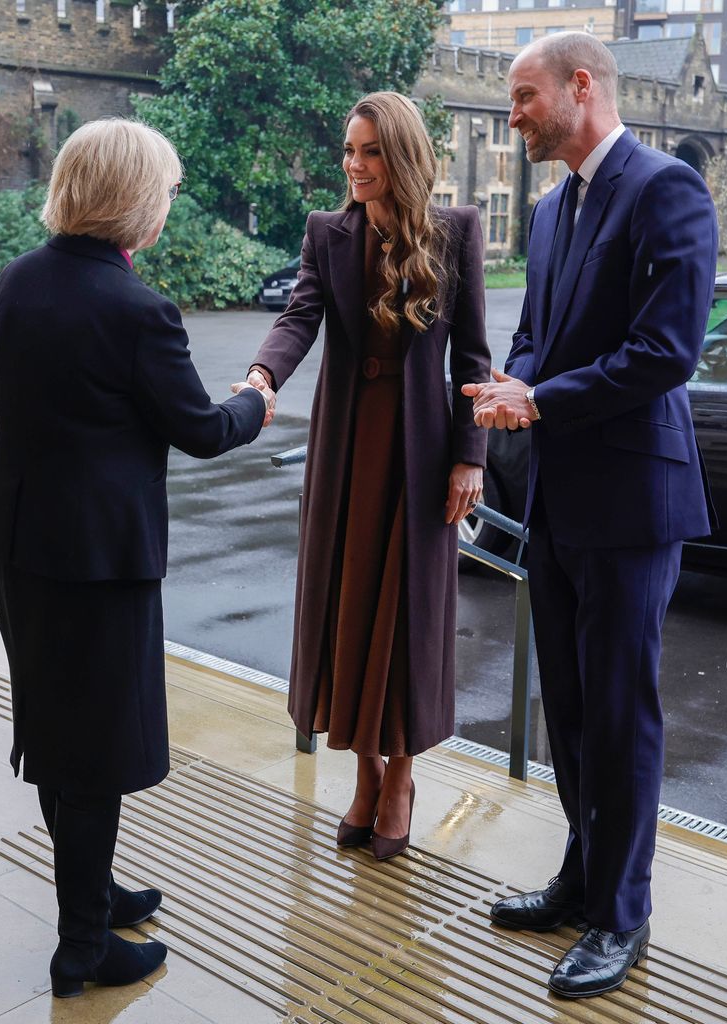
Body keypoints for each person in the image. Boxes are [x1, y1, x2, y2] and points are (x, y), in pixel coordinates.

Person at [0, 118, 275, 998]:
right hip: (100, 561)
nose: (170, 205)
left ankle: (91, 893)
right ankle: (83, 948)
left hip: (22, 545)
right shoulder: (138, 310)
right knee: (95, 750)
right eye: (167, 191)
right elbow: (202, 431)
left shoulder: (14, 282)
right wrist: (254, 396)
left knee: (52, 733)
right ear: (132, 197)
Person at [463, 33, 717, 998]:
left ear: (581, 87)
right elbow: (534, 335)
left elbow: (665, 354)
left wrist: (541, 401)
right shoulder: (548, 209)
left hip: (631, 499)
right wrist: (512, 380)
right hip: (558, 500)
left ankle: (622, 915)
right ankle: (580, 877)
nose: (512, 113)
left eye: (524, 97)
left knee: (619, 714)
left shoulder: (665, 190)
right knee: (565, 710)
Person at [247, 92, 490, 860]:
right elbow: (299, 317)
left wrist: (469, 458)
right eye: (348, 152)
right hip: (347, 451)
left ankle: (403, 776)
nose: (352, 165)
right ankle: (364, 769)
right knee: (347, 614)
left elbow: (474, 357)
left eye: (368, 151)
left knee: (410, 620)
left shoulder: (455, 232)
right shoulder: (328, 233)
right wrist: (260, 376)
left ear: (402, 155)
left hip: (422, 457)